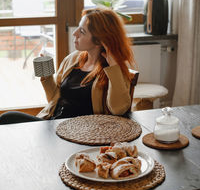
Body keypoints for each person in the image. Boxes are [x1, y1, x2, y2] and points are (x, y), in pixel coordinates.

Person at [0, 7, 135, 125]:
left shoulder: (115, 69)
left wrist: (114, 67)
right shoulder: (73, 59)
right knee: (8, 118)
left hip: (83, 135)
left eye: (82, 31)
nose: (74, 33)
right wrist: (47, 76)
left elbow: (119, 110)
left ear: (100, 40)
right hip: (55, 125)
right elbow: (54, 100)